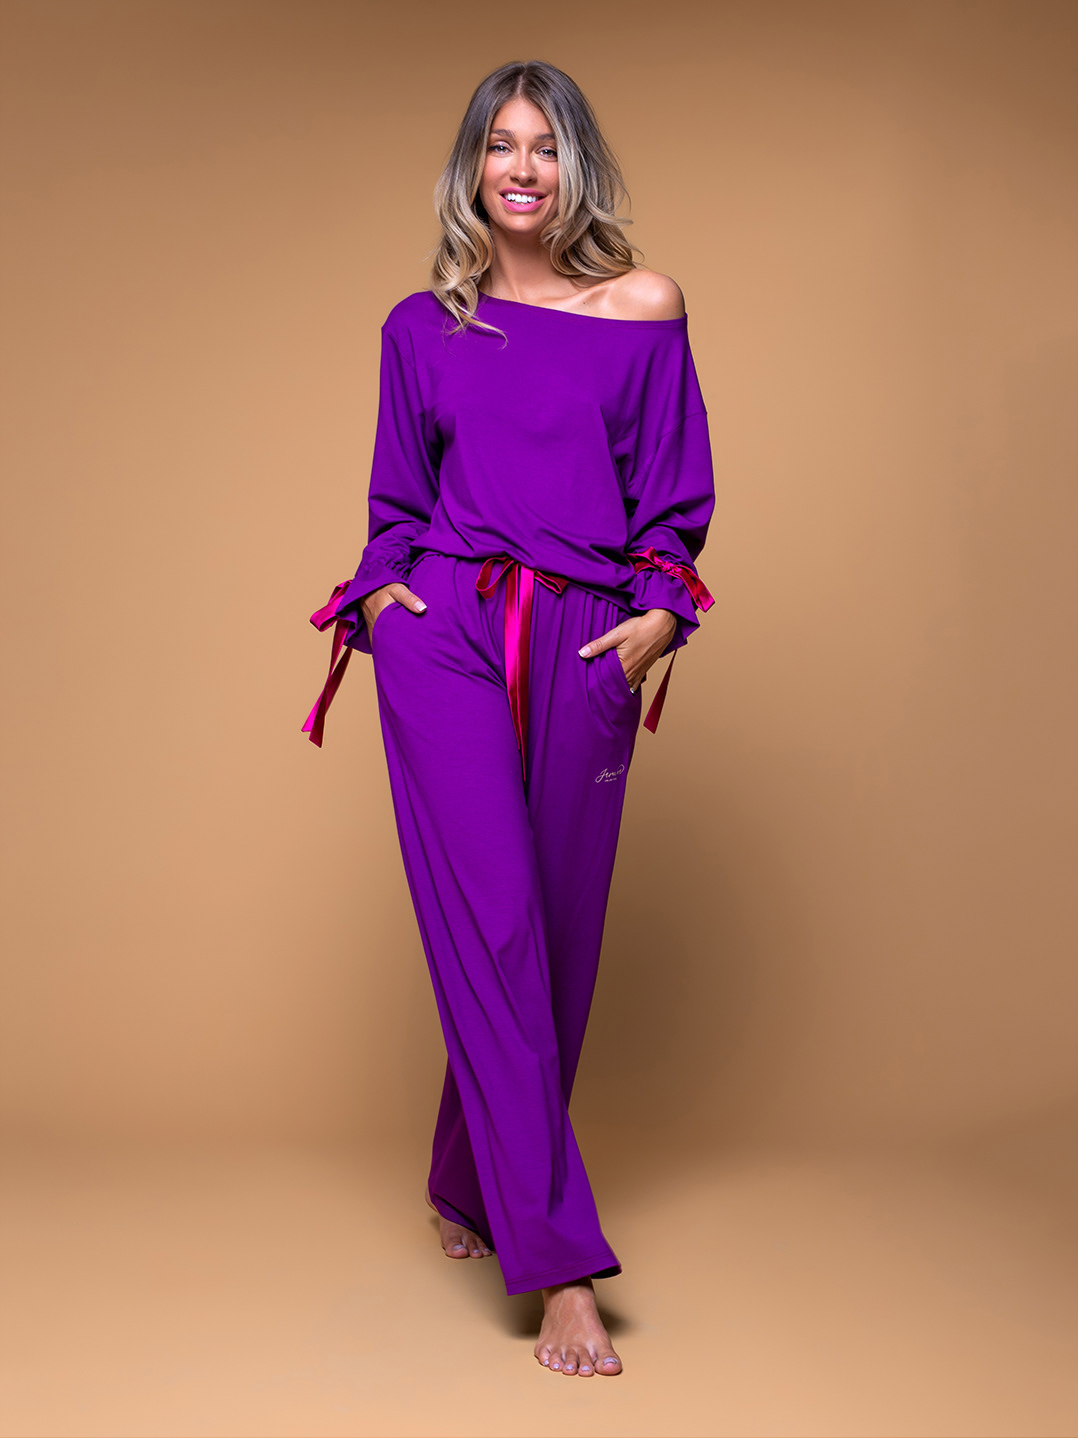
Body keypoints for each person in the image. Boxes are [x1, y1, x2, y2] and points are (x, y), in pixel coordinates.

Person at [303, 59, 715, 1378]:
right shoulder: (421, 327)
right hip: (447, 636)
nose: (521, 169)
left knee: (556, 932)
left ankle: (463, 1171)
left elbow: (673, 496)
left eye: (544, 146)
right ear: (471, 168)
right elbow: (392, 507)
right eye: (499, 145)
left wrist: (661, 617)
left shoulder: (643, 307)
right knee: (490, 921)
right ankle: (561, 1267)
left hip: (587, 637)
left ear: (575, 164)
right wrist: (385, 603)